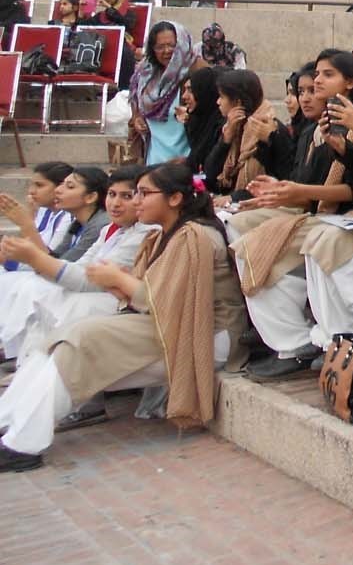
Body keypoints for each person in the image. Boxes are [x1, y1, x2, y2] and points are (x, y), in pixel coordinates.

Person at [0, 163, 245, 472]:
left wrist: (119, 280)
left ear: (174, 199)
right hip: (172, 326)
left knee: (82, 341)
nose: (135, 201)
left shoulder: (197, 236)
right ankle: (9, 423)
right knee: (62, 341)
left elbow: (169, 303)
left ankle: (23, 445)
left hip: (207, 336)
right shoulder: (164, 235)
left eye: (143, 193)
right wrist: (119, 283)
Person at [232, 49, 353, 378]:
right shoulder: (317, 128)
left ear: (350, 82)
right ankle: (295, 339)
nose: (317, 82)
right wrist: (278, 191)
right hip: (324, 215)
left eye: (327, 75)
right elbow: (307, 182)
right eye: (314, 78)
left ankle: (315, 342)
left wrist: (302, 187)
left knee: (262, 248)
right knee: (246, 241)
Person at [0, 168, 150, 416]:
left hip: (131, 312)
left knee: (66, 306)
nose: (115, 203)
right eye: (112, 194)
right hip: (109, 302)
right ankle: (26, 384)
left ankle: (77, 402)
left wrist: (33, 249)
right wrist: (34, 258)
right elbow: (80, 268)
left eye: (127, 196)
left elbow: (87, 280)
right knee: (43, 297)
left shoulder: (144, 231)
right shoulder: (109, 229)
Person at [204, 70, 293, 200]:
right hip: (232, 201)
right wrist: (225, 141)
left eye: (222, 97)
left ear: (238, 102)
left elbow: (278, 180)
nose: (218, 102)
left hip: (261, 202)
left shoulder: (269, 129)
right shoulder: (231, 127)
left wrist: (233, 198)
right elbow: (210, 174)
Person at [130, 22, 197, 164]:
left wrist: (190, 116)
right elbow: (137, 107)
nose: (167, 51)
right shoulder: (144, 73)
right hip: (154, 160)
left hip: (186, 161)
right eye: (160, 47)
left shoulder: (196, 71)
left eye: (172, 45)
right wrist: (137, 119)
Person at [180, 68, 224, 178]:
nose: (184, 96)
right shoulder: (198, 121)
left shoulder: (221, 126)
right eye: (185, 90)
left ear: (205, 92)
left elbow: (210, 169)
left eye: (191, 90)